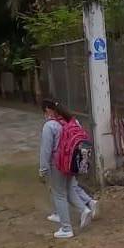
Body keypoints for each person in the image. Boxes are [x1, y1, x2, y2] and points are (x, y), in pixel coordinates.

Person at [39, 99, 94, 239]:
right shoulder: (72, 122)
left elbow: (46, 150)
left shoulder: (50, 126)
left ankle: (66, 228)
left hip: (57, 164)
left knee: (59, 194)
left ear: (48, 110)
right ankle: (84, 210)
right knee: (69, 189)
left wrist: (43, 169)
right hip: (71, 163)